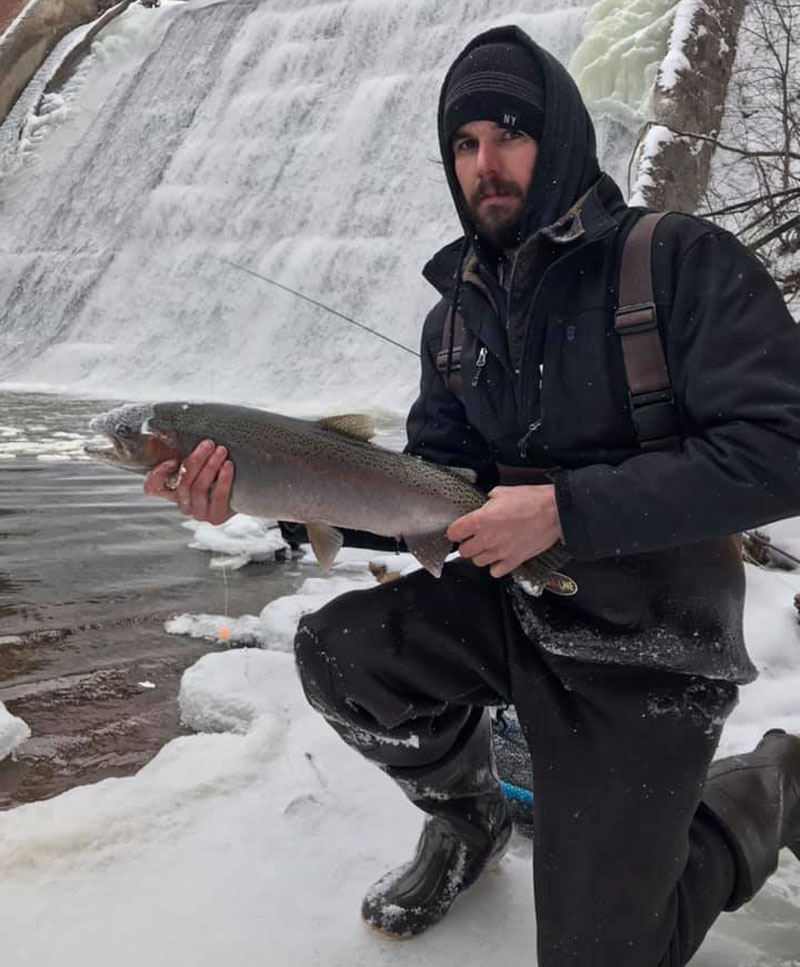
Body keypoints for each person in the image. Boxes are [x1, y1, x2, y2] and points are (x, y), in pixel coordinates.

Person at [144, 25, 800, 966]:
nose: (484, 164)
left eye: (509, 134)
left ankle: (768, 785)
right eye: (463, 144)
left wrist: (566, 508)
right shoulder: (453, 321)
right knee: (341, 651)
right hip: (512, 609)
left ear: (562, 137)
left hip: (654, 648)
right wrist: (259, 492)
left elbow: (785, 447)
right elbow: (419, 494)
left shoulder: (677, 263)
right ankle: (468, 814)